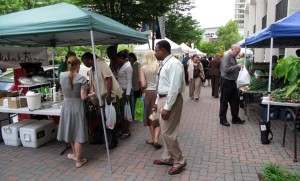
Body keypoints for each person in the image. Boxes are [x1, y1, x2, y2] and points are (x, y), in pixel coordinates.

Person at [153, 40, 187, 175]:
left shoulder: (174, 64)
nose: (155, 53)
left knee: (168, 133)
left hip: (170, 100)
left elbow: (174, 88)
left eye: (156, 50)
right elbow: (162, 84)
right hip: (163, 98)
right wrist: (157, 102)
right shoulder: (166, 63)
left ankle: (179, 161)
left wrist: (167, 107)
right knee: (166, 132)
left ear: (162, 50)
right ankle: (168, 158)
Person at [81, 52, 123, 149]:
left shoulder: (101, 64)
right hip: (101, 97)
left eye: (84, 62)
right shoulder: (93, 69)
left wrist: (108, 95)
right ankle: (99, 137)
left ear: (89, 59)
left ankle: (113, 140)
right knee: (102, 117)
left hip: (110, 95)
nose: (84, 64)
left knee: (111, 118)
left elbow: (109, 79)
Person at [57, 56, 88, 168]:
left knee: (70, 129)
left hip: (66, 105)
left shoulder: (61, 75)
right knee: (78, 132)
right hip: (77, 106)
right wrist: (92, 94)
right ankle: (78, 160)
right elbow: (83, 97)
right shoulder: (82, 79)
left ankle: (75, 155)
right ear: (78, 65)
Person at [140, 50, 162, 149]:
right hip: (160, 92)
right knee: (158, 116)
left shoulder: (143, 68)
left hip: (149, 93)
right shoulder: (159, 66)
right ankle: (156, 139)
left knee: (151, 117)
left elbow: (143, 85)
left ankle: (153, 139)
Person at [219, 44, 245, 127]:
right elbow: (226, 69)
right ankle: (222, 119)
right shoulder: (226, 56)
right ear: (232, 49)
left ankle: (235, 118)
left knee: (235, 101)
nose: (238, 54)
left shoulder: (233, 56)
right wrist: (237, 66)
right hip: (226, 81)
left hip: (232, 82)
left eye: (239, 52)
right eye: (237, 52)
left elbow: (232, 68)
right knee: (224, 101)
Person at [117, 49, 133, 139]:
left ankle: (127, 131)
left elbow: (129, 81)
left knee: (126, 112)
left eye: (118, 58)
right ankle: (123, 130)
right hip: (121, 91)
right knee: (122, 112)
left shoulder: (128, 67)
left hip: (125, 91)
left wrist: (128, 94)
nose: (117, 60)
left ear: (121, 58)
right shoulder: (122, 65)